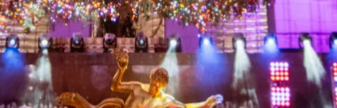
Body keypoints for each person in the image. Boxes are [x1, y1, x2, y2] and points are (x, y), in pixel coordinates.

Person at [57, 48, 223, 108]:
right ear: (150, 80)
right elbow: (115, 87)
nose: (154, 88)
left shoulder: (165, 100)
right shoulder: (138, 87)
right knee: (115, 103)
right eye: (153, 84)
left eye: (158, 86)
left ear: (164, 86)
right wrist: (121, 70)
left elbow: (185, 106)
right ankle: (77, 101)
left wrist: (205, 104)